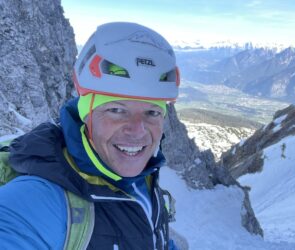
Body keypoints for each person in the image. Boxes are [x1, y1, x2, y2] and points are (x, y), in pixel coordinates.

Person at [0, 22, 180, 249]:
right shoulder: (36, 200)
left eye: (152, 112)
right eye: (116, 110)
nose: (138, 130)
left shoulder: (143, 176)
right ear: (87, 114)